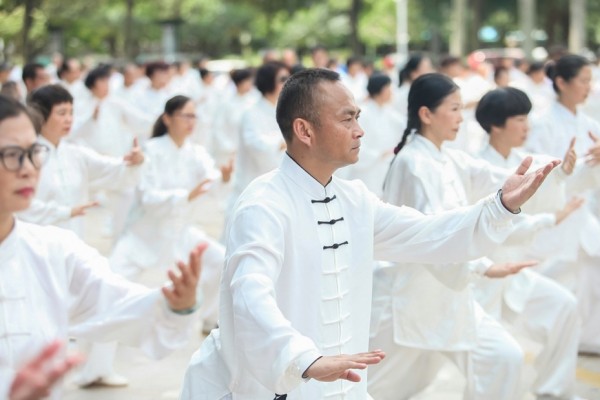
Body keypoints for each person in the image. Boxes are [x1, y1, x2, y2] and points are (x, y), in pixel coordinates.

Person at [180, 68, 559, 399]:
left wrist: (499, 207)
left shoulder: (354, 199)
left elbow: (428, 234)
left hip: (338, 383)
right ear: (304, 130)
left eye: (358, 117)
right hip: (266, 385)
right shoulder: (264, 203)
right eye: (347, 119)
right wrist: (303, 358)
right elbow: (250, 295)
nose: (360, 130)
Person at [369, 73, 572, 400]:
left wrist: (557, 172)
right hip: (409, 296)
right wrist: (482, 267)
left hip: (450, 293)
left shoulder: (448, 157)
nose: (461, 118)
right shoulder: (412, 163)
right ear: (426, 114)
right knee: (379, 386)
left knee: (502, 356)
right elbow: (428, 237)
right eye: (454, 109)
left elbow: (496, 179)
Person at [0, 94, 204, 399]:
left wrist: (175, 305)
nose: (29, 168)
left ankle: (98, 368)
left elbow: (117, 304)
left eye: (33, 152)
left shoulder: (54, 251)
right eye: (13, 154)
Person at [471, 87, 584, 400]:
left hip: (516, 274)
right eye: (520, 118)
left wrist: (568, 172)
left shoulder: (525, 160)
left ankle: (553, 391)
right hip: (482, 277)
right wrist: (552, 217)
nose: (527, 126)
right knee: (496, 360)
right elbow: (503, 224)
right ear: (496, 125)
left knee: (564, 306)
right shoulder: (476, 167)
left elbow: (549, 181)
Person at [526, 54, 600, 355]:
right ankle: (551, 343)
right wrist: (582, 166)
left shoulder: (589, 123)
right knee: (557, 280)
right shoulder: (542, 126)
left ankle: (587, 337)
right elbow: (540, 176)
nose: (588, 87)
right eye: (583, 80)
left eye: (589, 80)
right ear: (561, 82)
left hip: (583, 213)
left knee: (590, 273)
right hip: (555, 215)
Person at [18, 84, 144, 240]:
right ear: (40, 116)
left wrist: (135, 161)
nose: (69, 119)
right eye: (61, 113)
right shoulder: (24, 156)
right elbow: (19, 206)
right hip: (35, 243)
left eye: (71, 113)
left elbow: (111, 169)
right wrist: (65, 212)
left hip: (72, 241)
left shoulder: (75, 153)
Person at [228, 61, 289, 211]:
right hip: (253, 185)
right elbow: (255, 145)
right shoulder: (251, 113)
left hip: (281, 184)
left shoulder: (286, 111)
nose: (287, 83)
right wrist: (283, 143)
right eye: (282, 79)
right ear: (269, 82)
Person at [337, 73, 405, 197]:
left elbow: (403, 127)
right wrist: (378, 155)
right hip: (367, 170)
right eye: (390, 88)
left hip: (383, 168)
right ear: (383, 90)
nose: (392, 93)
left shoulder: (388, 112)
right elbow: (353, 142)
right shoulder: (363, 113)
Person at [393, 54, 434, 118]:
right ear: (414, 73)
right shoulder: (401, 95)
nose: (431, 72)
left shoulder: (426, 93)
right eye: (427, 69)